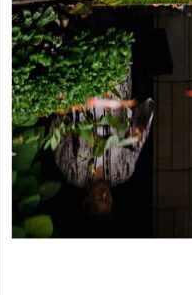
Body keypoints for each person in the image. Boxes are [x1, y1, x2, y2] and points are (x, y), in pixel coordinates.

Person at [48, 73, 154, 218]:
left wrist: (65, 107)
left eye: (99, 199)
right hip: (115, 83)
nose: (104, 194)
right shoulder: (124, 171)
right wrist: (138, 128)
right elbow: (140, 131)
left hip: (81, 86)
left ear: (87, 200)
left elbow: (56, 132)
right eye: (108, 200)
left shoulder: (72, 173)